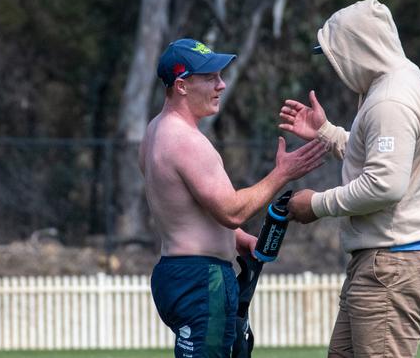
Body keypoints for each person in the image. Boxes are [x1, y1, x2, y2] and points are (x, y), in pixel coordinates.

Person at [279, 0, 420, 358]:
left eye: (336, 53)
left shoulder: (390, 100)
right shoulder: (404, 82)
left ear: (359, 47)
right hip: (390, 259)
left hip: (393, 262)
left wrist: (315, 204)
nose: (333, 64)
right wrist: (326, 132)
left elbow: (385, 185)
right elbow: (382, 159)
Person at [139, 38, 327, 358]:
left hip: (179, 272)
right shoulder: (186, 141)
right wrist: (282, 173)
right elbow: (232, 211)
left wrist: (235, 237)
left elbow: (184, 207)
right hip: (201, 280)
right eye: (211, 77)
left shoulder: (155, 131)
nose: (221, 85)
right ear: (182, 86)